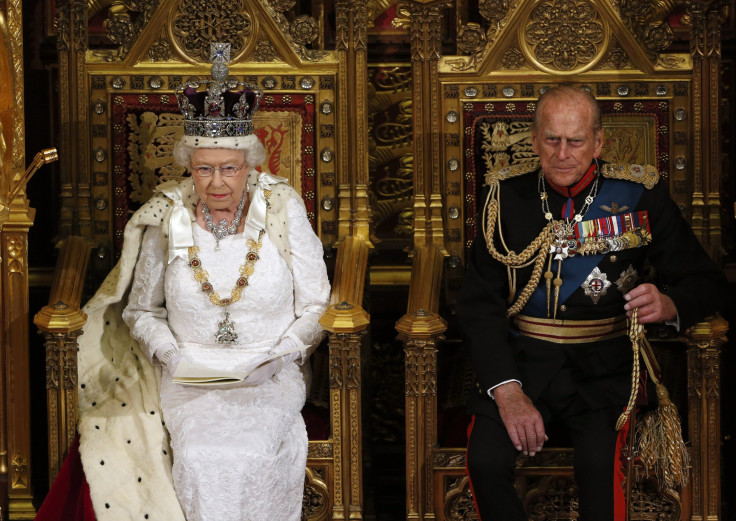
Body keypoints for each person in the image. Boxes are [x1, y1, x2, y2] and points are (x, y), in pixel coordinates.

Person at [74, 43, 330, 521]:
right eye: (204, 168)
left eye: (229, 168)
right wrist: (172, 357)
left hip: (267, 372)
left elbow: (317, 303)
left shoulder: (281, 207)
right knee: (199, 455)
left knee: (252, 451)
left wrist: (282, 357)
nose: (216, 182)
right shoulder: (167, 213)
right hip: (188, 375)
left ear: (251, 166)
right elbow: (141, 310)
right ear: (189, 166)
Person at [456, 85, 726, 521]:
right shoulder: (502, 199)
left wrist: (670, 303)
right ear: (534, 139)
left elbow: (707, 282)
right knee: (485, 462)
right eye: (552, 139)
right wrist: (506, 390)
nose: (563, 153)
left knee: (599, 469)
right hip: (521, 363)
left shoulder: (640, 194)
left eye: (576, 141)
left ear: (598, 142)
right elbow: (478, 306)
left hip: (606, 369)